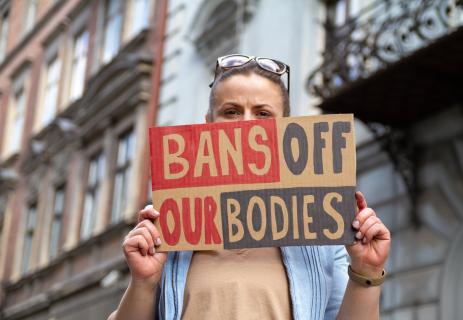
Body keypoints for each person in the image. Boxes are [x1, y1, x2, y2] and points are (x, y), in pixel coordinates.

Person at [108, 54, 391, 320]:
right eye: (230, 111)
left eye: (263, 114)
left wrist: (367, 270)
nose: (246, 125)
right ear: (207, 125)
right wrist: (143, 281)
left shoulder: (322, 234)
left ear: (287, 128)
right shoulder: (169, 227)